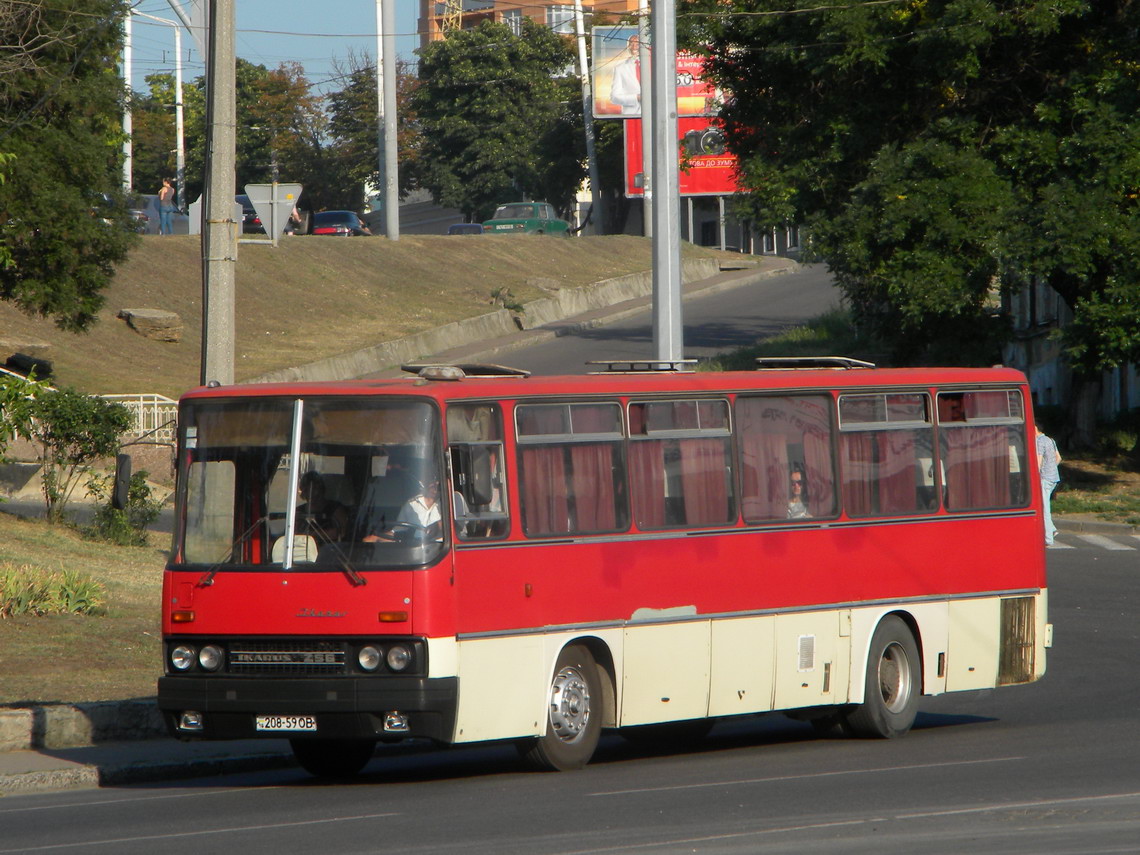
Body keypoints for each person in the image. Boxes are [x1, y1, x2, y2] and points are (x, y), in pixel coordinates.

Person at [363, 478, 441, 542]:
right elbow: (398, 531)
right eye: (433, 480)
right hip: (415, 549)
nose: (436, 484)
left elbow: (452, 524)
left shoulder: (449, 504)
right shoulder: (412, 503)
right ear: (426, 482)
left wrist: (439, 525)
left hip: (440, 550)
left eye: (439, 481)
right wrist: (377, 538)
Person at [296, 471, 348, 543]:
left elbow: (341, 532)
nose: (312, 493)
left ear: (322, 489)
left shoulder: (335, 509)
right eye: (307, 490)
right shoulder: (298, 511)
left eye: (315, 488)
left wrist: (314, 534)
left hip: (331, 550)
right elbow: (292, 532)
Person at [1035, 424, 1061, 545]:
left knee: (1044, 508)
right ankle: (1052, 529)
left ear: (1035, 428)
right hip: (1054, 477)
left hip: (1044, 478)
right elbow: (1058, 458)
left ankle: (1048, 539)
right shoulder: (1051, 440)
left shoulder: (1039, 441)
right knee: (1043, 505)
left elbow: (1038, 462)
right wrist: (1052, 468)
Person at [609, 34, 642, 116]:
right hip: (632, 116)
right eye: (631, 44)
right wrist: (636, 98)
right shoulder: (620, 68)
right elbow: (614, 97)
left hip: (654, 116)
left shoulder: (653, 64)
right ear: (628, 47)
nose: (634, 47)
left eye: (637, 44)